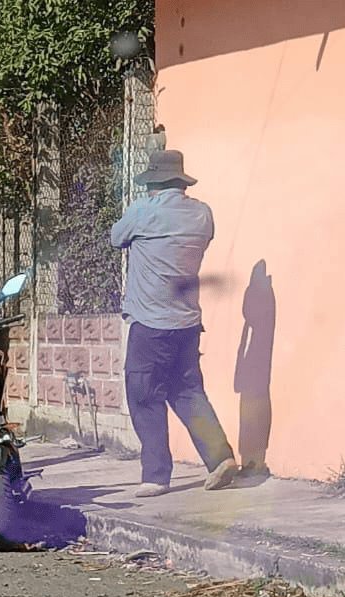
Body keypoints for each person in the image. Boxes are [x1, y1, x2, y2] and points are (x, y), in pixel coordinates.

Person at [111, 149, 239, 497]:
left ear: (152, 183)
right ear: (181, 181)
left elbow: (115, 237)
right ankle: (219, 458)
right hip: (186, 322)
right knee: (187, 390)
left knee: (144, 395)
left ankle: (156, 476)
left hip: (149, 323)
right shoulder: (202, 214)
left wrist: (144, 208)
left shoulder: (143, 212)